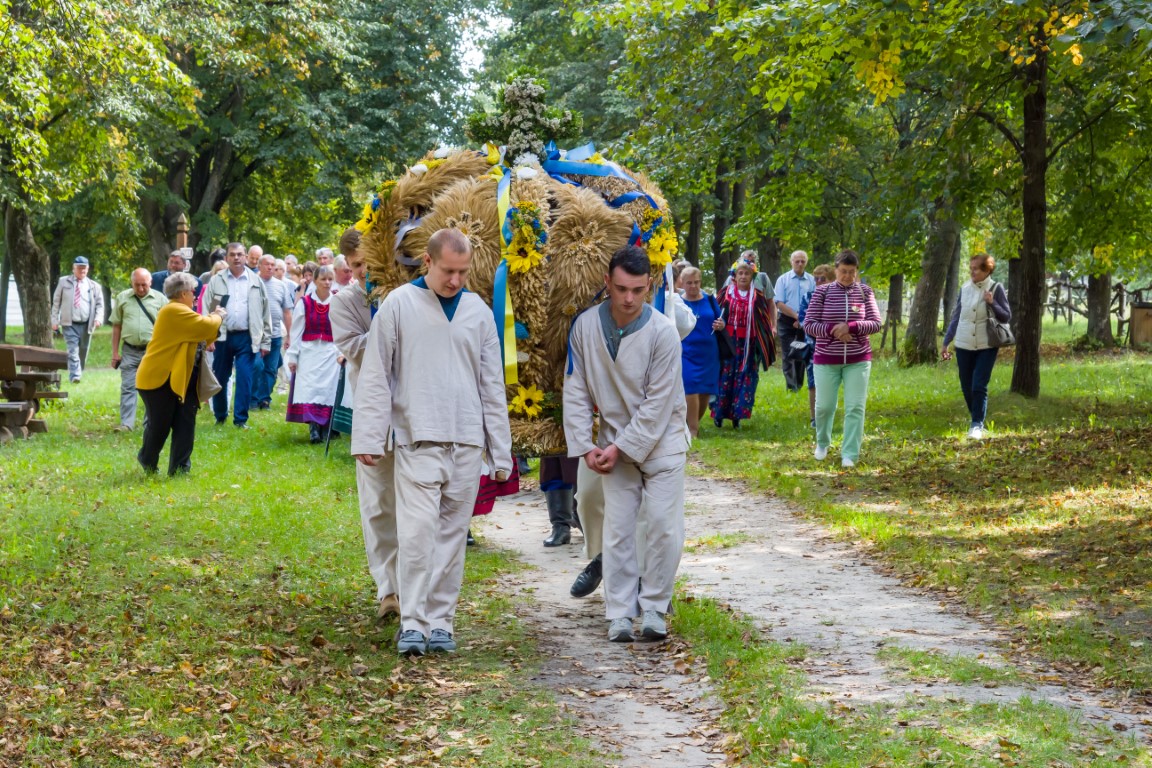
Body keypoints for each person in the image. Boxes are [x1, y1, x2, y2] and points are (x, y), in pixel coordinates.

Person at [353, 228, 512, 656]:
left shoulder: (477, 311)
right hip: (416, 437)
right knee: (418, 533)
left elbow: (491, 383)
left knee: (451, 536)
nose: (456, 280)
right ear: (428, 261)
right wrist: (369, 436)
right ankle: (412, 622)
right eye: (448, 270)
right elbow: (376, 375)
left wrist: (500, 450)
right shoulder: (399, 305)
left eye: (463, 271)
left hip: (465, 439)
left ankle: (441, 621)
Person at [564, 245, 688, 643]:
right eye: (620, 289)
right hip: (612, 444)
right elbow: (577, 389)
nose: (629, 298)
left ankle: (653, 608)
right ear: (607, 283)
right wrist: (586, 446)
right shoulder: (584, 327)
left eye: (637, 290)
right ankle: (618, 612)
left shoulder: (663, 333)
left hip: (663, 441)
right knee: (616, 530)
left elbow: (658, 402)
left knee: (664, 528)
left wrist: (621, 447)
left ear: (649, 286)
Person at [331, 228, 400, 619]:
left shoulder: (407, 292)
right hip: (371, 412)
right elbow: (352, 346)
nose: (360, 272)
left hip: (411, 412)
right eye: (354, 266)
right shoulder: (344, 302)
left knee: (413, 501)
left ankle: (411, 585)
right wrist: (394, 332)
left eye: (365, 263)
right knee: (377, 504)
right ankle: (387, 589)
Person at [135, 273, 226, 475]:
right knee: (160, 425)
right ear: (183, 293)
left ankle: (180, 469)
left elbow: (203, 333)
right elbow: (206, 326)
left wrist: (213, 322)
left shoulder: (184, 313)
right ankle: (147, 460)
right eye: (193, 292)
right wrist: (218, 315)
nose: (195, 297)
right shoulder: (173, 310)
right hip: (158, 378)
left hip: (182, 377)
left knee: (185, 423)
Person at [803, 249, 882, 468]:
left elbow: (876, 323)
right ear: (836, 270)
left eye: (852, 272)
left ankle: (850, 453)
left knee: (855, 407)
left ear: (857, 272)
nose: (847, 276)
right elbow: (809, 324)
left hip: (858, 359)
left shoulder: (865, 292)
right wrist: (833, 330)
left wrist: (852, 327)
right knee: (824, 407)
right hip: (827, 358)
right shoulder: (822, 292)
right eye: (843, 271)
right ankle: (822, 442)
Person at [200, 242, 272, 429]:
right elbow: (209, 309)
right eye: (232, 255)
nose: (236, 258)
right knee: (220, 377)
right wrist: (209, 337)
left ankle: (241, 419)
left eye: (240, 254)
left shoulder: (255, 281)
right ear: (226, 258)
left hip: (246, 337)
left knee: (245, 377)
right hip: (222, 336)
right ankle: (221, 416)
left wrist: (265, 341)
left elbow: (265, 312)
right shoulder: (217, 281)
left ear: (246, 257)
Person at [941, 252, 1012, 440]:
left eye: (975, 269)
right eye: (970, 268)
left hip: (986, 345)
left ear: (986, 270)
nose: (972, 272)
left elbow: (1006, 316)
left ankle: (977, 424)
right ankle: (976, 419)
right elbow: (956, 317)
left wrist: (992, 302)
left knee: (979, 384)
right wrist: (946, 342)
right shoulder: (964, 289)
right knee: (966, 386)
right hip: (963, 344)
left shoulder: (996, 288)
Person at [711, 252, 775, 429]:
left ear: (752, 276)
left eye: (747, 273)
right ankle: (718, 414)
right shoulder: (726, 293)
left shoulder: (757, 296)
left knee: (745, 377)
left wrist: (768, 331)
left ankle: (737, 416)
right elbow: (716, 312)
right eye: (740, 273)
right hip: (728, 342)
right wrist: (719, 323)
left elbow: (764, 317)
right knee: (724, 376)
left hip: (749, 343)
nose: (744, 276)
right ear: (735, 276)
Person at [285, 265, 344, 443]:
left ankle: (327, 426)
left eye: (329, 279)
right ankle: (313, 428)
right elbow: (296, 331)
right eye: (323, 279)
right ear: (315, 281)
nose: (327, 283)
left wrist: (342, 352)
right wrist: (293, 356)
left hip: (330, 352)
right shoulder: (305, 303)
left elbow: (342, 331)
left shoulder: (337, 302)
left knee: (328, 390)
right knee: (311, 389)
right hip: (309, 352)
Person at [109, 268, 166, 432]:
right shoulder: (122, 298)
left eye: (144, 285)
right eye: (137, 285)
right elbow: (116, 326)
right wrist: (115, 352)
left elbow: (167, 327)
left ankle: (151, 423)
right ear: (131, 283)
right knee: (128, 386)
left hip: (153, 350)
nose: (140, 289)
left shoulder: (160, 299)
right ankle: (127, 424)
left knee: (153, 388)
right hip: (130, 350)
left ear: (150, 283)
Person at [678, 266, 724, 438]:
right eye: (689, 283)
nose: (693, 286)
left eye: (696, 282)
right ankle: (693, 430)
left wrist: (721, 325)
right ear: (682, 283)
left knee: (705, 390)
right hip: (686, 351)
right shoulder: (678, 302)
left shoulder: (710, 299)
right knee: (690, 386)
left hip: (709, 353)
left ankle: (692, 422)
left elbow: (720, 319)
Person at [51, 256, 104, 384]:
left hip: (87, 323)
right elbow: (56, 302)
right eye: (79, 268)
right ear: (73, 268)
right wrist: (54, 321)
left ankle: (79, 372)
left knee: (83, 349)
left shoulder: (94, 286)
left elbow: (99, 305)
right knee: (72, 350)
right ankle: (75, 375)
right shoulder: (64, 282)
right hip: (69, 323)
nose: (82, 271)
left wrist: (98, 319)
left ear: (88, 269)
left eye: (84, 268)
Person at [251, 254, 294, 410]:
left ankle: (264, 399)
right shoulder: (252, 282)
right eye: (266, 264)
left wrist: (289, 335)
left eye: (272, 265)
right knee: (256, 366)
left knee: (271, 369)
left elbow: (287, 312)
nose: (270, 267)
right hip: (255, 335)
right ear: (260, 266)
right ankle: (253, 399)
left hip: (276, 334)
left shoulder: (281, 285)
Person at [774, 250, 817, 395]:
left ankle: (799, 384)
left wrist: (803, 319)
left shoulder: (812, 280)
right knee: (789, 353)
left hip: (805, 322)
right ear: (791, 262)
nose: (800, 264)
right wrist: (796, 317)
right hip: (787, 322)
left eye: (802, 261)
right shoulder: (783, 280)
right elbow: (779, 303)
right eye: (797, 261)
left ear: (806, 262)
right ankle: (792, 388)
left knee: (801, 352)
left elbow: (815, 302)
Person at [796, 264, 834, 427]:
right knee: (813, 382)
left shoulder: (837, 297)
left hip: (834, 346)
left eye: (822, 279)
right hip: (813, 346)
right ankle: (814, 417)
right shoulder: (807, 297)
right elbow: (803, 320)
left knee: (831, 382)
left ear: (832, 280)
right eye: (816, 279)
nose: (818, 282)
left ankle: (828, 414)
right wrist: (821, 330)